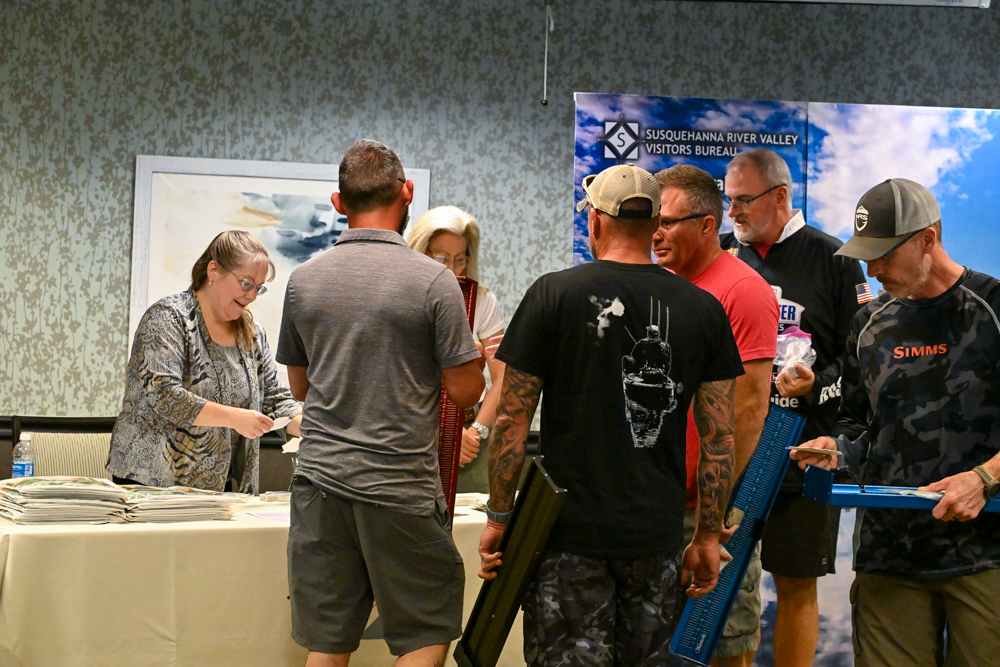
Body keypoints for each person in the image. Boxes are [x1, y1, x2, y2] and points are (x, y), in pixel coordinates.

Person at [478, 164, 745, 667]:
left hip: (566, 541)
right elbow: (719, 439)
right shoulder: (703, 309)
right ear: (655, 226)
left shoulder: (552, 294)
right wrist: (707, 536)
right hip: (656, 540)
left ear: (595, 221)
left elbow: (512, 420)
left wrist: (499, 517)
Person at [276, 140, 486, 667]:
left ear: (338, 202)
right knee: (424, 634)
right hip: (400, 489)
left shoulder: (303, 281)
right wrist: (471, 358)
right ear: (407, 192)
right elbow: (467, 392)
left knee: (327, 642)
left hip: (320, 485)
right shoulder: (435, 281)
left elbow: (301, 388)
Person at [791, 178, 1000, 667]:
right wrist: (836, 449)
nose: (873, 269)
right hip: (889, 555)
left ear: (928, 239)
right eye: (866, 255)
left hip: (986, 552)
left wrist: (984, 477)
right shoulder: (868, 324)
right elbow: (858, 424)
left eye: (884, 254)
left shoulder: (993, 308)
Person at [720, 148, 867, 666]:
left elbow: (861, 359)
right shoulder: (721, 255)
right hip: (733, 450)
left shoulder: (835, 258)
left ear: (780, 196)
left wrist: (815, 386)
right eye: (728, 200)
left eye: (743, 200)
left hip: (804, 449)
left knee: (796, 584)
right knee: (719, 584)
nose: (732, 212)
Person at [654, 164, 779, 667]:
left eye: (667, 221)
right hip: (659, 504)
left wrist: (713, 512)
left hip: (708, 508)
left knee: (722, 647)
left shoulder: (741, 289)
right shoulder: (661, 285)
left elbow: (748, 412)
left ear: (708, 225)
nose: (655, 233)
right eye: (651, 221)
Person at [107, 230, 302, 493]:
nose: (252, 296)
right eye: (246, 283)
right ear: (213, 271)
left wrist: (308, 426)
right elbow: (165, 396)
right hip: (153, 483)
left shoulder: (253, 333)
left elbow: (273, 399)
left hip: (222, 488)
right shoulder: (168, 318)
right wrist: (234, 418)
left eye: (259, 288)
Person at [406, 206, 506, 492]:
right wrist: (445, 434)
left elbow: (503, 377)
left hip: (470, 437)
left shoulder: (482, 300)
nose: (451, 269)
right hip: (413, 436)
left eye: (460, 259)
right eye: (441, 258)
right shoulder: (402, 299)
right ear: (420, 252)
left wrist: (476, 431)